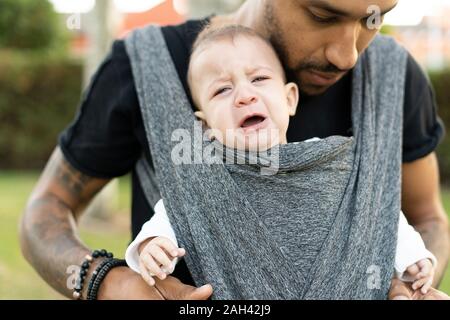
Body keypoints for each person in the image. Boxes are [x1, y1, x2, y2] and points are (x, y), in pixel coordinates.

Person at [20, 0, 449, 300]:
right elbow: (46, 210)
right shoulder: (147, 68)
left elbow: (427, 217)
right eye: (322, 14)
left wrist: (410, 283)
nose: (347, 54)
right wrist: (110, 283)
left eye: (374, 19)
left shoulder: (397, 80)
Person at [124, 25, 436, 295]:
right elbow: (166, 220)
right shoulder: (202, 178)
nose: (244, 95)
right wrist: (150, 246)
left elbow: (376, 211)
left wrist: (413, 257)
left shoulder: (328, 158)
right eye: (222, 90)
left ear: (289, 99)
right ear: (205, 127)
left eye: (258, 79)